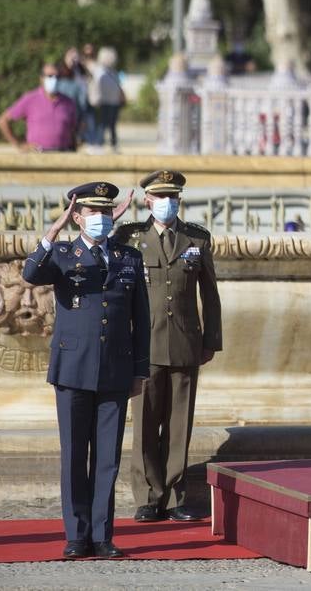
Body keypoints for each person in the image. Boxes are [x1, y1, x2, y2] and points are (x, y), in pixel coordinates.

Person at [23, 182, 149, 559]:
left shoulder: (128, 257)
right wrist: (53, 230)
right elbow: (31, 274)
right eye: (93, 213)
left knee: (107, 457)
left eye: (106, 212)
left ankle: (102, 535)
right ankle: (76, 535)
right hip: (73, 369)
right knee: (75, 454)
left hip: (115, 369)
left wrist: (140, 371)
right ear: (78, 217)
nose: (101, 219)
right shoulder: (62, 253)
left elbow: (141, 319)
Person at [111, 170, 221, 523]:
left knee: (178, 424)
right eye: (160, 198)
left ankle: (175, 496)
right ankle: (147, 496)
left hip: (185, 342)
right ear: (148, 201)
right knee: (144, 423)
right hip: (144, 344)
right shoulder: (130, 237)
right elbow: (105, 271)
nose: (167, 203)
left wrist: (211, 341)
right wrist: (111, 220)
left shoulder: (196, 238)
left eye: (173, 197)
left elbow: (210, 295)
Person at [0, 63, 79, 152]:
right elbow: (2, 121)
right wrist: (20, 145)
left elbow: (73, 130)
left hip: (63, 154)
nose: (54, 79)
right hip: (37, 156)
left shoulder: (68, 102)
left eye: (57, 76)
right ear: (41, 78)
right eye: (50, 76)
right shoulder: (30, 99)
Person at [88, 47, 126, 151]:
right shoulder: (100, 70)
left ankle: (111, 143)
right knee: (103, 125)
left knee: (109, 125)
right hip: (104, 102)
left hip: (112, 102)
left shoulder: (111, 71)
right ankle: (99, 143)